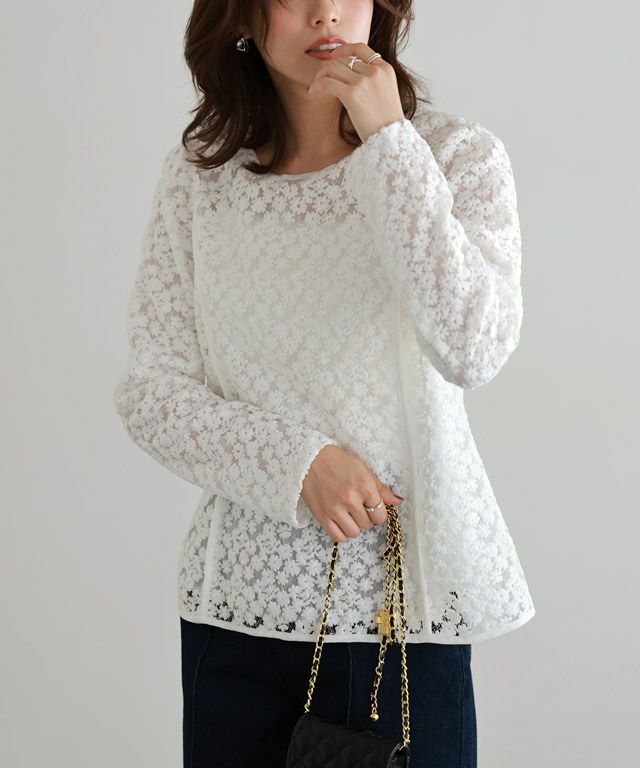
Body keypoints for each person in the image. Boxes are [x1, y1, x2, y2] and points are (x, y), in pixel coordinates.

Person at [113, 1, 536, 766]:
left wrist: (388, 140)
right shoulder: (203, 178)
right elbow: (152, 392)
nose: (325, 13)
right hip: (236, 620)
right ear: (242, 18)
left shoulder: (455, 157)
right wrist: (300, 464)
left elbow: (473, 346)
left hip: (401, 619)